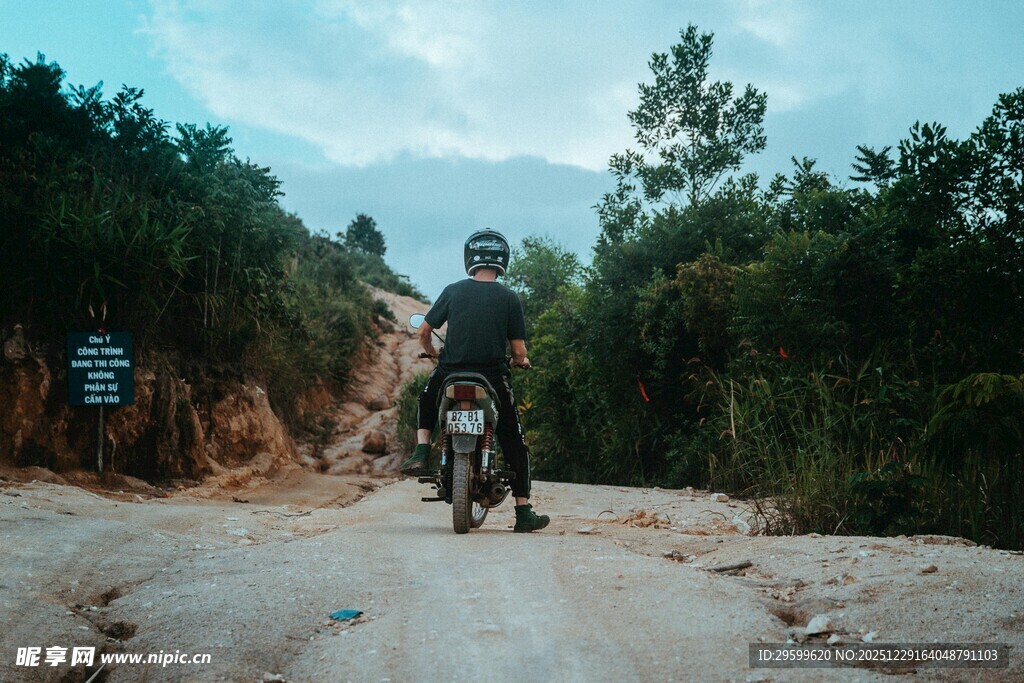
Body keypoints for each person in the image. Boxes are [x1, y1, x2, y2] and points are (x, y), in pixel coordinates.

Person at [401, 229, 550, 533]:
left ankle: (421, 451)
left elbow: (423, 332)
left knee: (426, 398)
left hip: (450, 371)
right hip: (492, 376)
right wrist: (520, 360)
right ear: (503, 259)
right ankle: (523, 513)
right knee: (514, 439)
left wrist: (433, 353)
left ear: (470, 258)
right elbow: (519, 350)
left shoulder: (453, 291)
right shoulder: (509, 298)